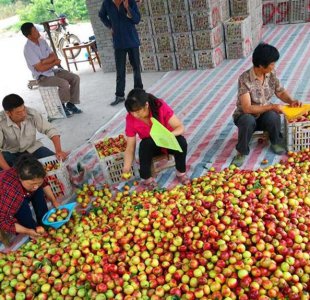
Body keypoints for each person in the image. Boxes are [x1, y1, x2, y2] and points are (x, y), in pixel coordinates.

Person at [231, 43, 301, 167]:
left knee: (273, 116)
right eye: (272, 63)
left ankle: (276, 141)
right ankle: (242, 151)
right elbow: (247, 108)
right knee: (247, 120)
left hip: (263, 115)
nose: (274, 66)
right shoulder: (245, 79)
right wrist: (272, 106)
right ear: (262, 65)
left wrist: (291, 101)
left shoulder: (271, 74)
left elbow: (280, 91)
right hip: (246, 116)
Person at [123, 89, 189, 188]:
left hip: (168, 142)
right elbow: (130, 147)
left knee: (181, 142)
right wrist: (126, 167)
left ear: (146, 105)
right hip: (152, 147)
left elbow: (180, 127)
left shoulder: (159, 106)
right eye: (132, 112)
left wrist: (169, 135)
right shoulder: (130, 119)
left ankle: (181, 173)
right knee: (145, 144)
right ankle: (148, 179)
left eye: (137, 111)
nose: (135, 115)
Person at [21, 22, 82, 117]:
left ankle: (71, 104)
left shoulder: (42, 41)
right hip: (42, 77)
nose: (37, 32)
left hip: (52, 71)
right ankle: (61, 106)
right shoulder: (28, 49)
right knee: (64, 84)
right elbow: (40, 68)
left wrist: (44, 61)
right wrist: (53, 62)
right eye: (34, 31)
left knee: (75, 78)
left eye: (36, 29)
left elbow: (53, 55)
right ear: (29, 36)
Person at [0, 94, 68, 170]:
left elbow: (50, 130)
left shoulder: (31, 113)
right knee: (8, 175)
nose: (23, 114)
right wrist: (8, 171)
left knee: (57, 164)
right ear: (8, 113)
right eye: (18, 113)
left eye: (24, 109)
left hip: (32, 148)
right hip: (10, 153)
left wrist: (59, 151)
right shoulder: (1, 121)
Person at [0, 154, 59, 239]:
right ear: (20, 178)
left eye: (38, 183)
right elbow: (3, 220)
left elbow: (43, 183)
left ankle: (44, 223)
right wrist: (27, 231)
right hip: (6, 199)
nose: (35, 186)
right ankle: (33, 232)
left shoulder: (34, 174)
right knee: (23, 210)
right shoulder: (13, 191)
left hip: (20, 191)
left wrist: (54, 201)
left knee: (38, 190)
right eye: (32, 184)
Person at [99, 0, 144, 106]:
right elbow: (101, 15)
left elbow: (136, 20)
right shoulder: (107, 3)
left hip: (132, 40)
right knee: (120, 70)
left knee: (136, 68)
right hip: (118, 42)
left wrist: (128, 8)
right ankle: (119, 95)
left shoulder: (130, 1)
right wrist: (110, 26)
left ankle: (138, 93)